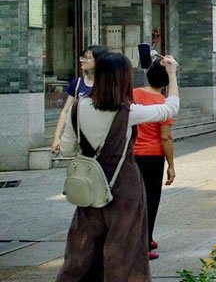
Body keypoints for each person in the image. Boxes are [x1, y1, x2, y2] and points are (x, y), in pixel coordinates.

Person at [57, 52, 180, 282]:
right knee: (124, 248)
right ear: (123, 79)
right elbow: (170, 108)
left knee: (83, 247)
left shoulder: (78, 108)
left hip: (90, 184)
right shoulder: (127, 111)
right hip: (124, 186)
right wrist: (172, 74)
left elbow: (66, 149)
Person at [132, 61, 175, 260]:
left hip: (132, 154)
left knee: (135, 199)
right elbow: (166, 137)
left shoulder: (132, 93)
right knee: (151, 199)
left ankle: (143, 238)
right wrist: (171, 165)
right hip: (152, 155)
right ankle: (145, 242)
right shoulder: (163, 103)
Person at [51, 45, 108, 155]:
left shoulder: (107, 85)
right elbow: (65, 111)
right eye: (83, 57)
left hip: (102, 140)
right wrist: (57, 137)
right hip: (80, 139)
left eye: (88, 58)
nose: (83, 60)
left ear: (99, 61)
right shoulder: (77, 83)